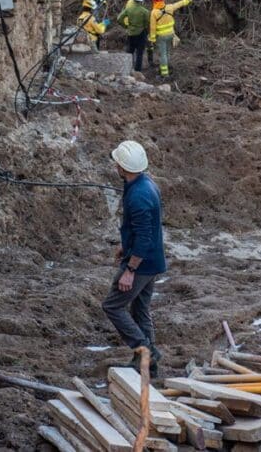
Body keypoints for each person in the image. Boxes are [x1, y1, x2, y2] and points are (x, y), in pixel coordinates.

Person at [102, 140, 167, 376]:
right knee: (140, 309)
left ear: (122, 166)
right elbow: (143, 230)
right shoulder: (146, 184)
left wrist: (130, 270)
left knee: (112, 306)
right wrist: (125, 245)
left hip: (141, 263)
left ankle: (145, 351)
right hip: (152, 261)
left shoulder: (138, 195)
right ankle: (149, 366)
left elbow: (144, 236)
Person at [148, 0, 193, 77]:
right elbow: (179, 4)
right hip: (171, 35)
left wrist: (152, 39)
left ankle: (164, 74)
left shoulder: (154, 12)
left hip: (161, 37)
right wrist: (188, 0)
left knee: (162, 55)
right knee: (167, 52)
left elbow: (152, 27)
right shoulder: (169, 7)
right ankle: (167, 67)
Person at [116, 0, 151, 72]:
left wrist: (126, 26)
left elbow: (119, 19)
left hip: (130, 33)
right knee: (139, 54)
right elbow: (147, 24)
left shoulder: (129, 8)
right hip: (141, 34)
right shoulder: (145, 12)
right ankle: (137, 71)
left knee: (129, 52)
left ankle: (127, 69)